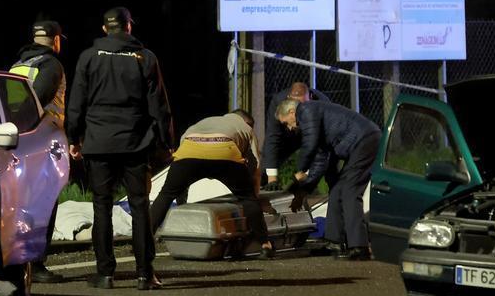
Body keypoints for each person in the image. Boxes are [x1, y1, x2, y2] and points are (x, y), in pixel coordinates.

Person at [66, 7, 170, 290]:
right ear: (128, 28)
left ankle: (105, 274)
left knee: (102, 207)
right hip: (135, 143)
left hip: (98, 143)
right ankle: (144, 274)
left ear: (104, 29)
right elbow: (158, 105)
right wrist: (166, 141)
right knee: (139, 206)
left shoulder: (88, 57)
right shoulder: (145, 58)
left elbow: (76, 102)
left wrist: (73, 137)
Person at [149, 109, 273, 257]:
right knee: (247, 198)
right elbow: (255, 168)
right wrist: (253, 196)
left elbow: (182, 155)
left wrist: (181, 202)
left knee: (166, 194)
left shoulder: (202, 123)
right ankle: (265, 245)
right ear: (247, 122)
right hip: (225, 152)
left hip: (189, 151)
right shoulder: (245, 127)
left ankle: (144, 240)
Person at [275, 98, 380, 260]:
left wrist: (300, 170)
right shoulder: (316, 125)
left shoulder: (306, 110)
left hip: (365, 139)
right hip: (358, 143)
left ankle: (360, 246)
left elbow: (309, 146)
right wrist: (304, 189)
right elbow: (319, 161)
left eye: (286, 123)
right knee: (337, 189)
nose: (288, 128)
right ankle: (334, 242)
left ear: (291, 112)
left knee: (350, 191)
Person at [11, 19, 69, 284]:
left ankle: (19, 257)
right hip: (44, 140)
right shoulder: (52, 65)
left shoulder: (18, 64)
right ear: (56, 40)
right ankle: (37, 262)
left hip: (16, 139)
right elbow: (40, 99)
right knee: (45, 200)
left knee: (23, 201)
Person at [262, 81, 329, 189]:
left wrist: (305, 173)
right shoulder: (278, 102)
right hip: (287, 138)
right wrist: (272, 179)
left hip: (313, 135)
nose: (299, 110)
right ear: (288, 98)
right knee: (265, 170)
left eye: (303, 104)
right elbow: (273, 137)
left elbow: (320, 143)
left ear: (310, 98)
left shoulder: (322, 103)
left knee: (326, 168)